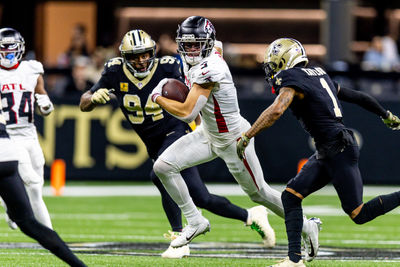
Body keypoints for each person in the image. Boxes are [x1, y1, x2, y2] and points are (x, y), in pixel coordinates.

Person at [79, 29, 273, 259]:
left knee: (158, 173)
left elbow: (193, 99)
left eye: (145, 54)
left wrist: (200, 126)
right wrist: (93, 98)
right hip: (151, 139)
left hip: (175, 131)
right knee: (202, 197)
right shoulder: (114, 70)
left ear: (154, 51)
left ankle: (179, 238)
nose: (141, 61)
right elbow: (84, 103)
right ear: (124, 57)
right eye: (134, 56)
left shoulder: (169, 66)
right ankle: (251, 216)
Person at [150, 16, 321, 258]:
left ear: (206, 44)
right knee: (163, 166)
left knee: (258, 192)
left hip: (233, 138)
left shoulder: (210, 69)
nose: (191, 50)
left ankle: (306, 224)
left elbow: (188, 111)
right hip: (209, 134)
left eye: (196, 44)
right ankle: (195, 220)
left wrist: (158, 97)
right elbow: (217, 45)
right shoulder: (211, 48)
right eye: (187, 44)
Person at [236, 38, 400, 267]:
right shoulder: (319, 73)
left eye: (274, 64)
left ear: (287, 59)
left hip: (338, 148)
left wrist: (247, 135)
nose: (272, 70)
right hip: (329, 148)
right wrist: (386, 114)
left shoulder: (292, 77)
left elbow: (276, 110)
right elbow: (358, 96)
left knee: (358, 213)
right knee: (290, 196)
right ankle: (294, 260)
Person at [0, 27, 53, 230]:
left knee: (37, 185)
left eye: (10, 48)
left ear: (20, 48)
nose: (7, 52)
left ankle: (8, 203)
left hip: (30, 135)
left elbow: (42, 100)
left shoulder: (32, 69)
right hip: (9, 136)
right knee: (31, 183)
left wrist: (46, 106)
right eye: (2, 48)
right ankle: (51, 235)